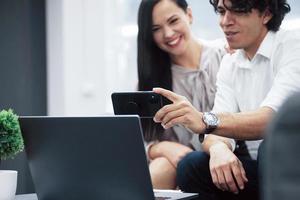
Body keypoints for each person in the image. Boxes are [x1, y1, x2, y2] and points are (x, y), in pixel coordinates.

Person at [152, 0, 300, 199]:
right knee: (192, 166)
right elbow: (218, 126)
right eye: (222, 11)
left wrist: (204, 120)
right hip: (261, 170)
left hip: (291, 165)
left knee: (270, 146)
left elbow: (271, 120)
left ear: (266, 14)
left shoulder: (292, 45)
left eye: (238, 11)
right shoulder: (230, 62)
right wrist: (219, 148)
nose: (225, 21)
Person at [137, 0, 226, 189]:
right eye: (156, 29)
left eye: (173, 21)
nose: (168, 34)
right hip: (178, 164)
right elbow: (137, 140)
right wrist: (159, 148)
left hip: (225, 153)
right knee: (162, 166)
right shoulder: (151, 82)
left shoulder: (225, 56)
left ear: (190, 15)